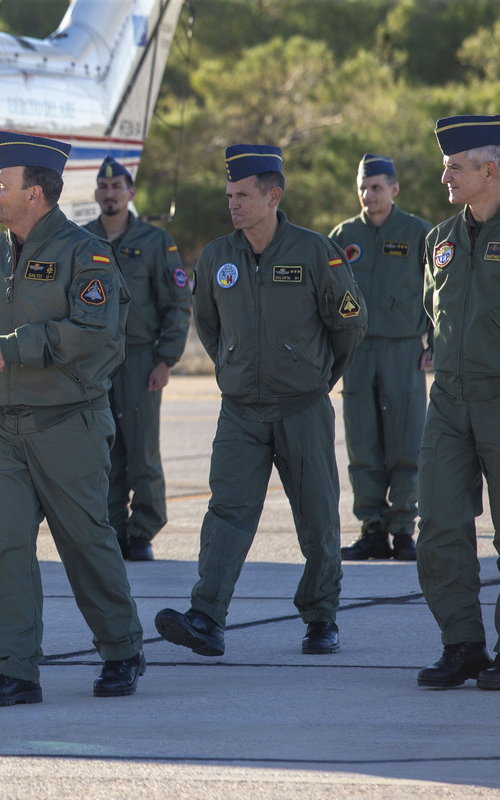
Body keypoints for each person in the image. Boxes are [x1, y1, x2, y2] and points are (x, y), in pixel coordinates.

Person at [0, 130, 145, 706]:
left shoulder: (86, 254)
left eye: (2, 185)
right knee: (7, 547)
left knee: (84, 540)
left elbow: (95, 330)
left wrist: (19, 346)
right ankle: (16, 668)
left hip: (67, 424)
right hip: (5, 427)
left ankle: (123, 650)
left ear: (36, 193)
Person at [155, 144, 367, 658]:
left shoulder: (315, 252)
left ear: (274, 197)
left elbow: (350, 323)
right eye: (230, 195)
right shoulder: (216, 257)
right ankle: (206, 617)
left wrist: (315, 377)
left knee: (317, 517)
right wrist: (232, 365)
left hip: (302, 409)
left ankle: (321, 618)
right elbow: (207, 324)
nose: (233, 204)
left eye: (243, 195)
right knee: (226, 512)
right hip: (241, 412)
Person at [414, 115, 500, 690]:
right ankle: (463, 644)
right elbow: (432, 312)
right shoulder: (438, 239)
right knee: (441, 526)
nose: (445, 175)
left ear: (489, 170)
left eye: (455, 166)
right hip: (448, 402)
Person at [84, 156, 191, 562]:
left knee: (142, 449)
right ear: (97, 194)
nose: (110, 194)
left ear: (130, 193)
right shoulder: (82, 239)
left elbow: (178, 305)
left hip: (140, 360)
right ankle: (112, 528)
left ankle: (143, 531)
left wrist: (166, 361)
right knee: (101, 450)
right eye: (104, 187)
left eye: (118, 188)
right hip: (94, 364)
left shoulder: (155, 241)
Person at [328, 154, 432, 562]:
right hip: (357, 353)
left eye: (375, 187)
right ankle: (372, 528)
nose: (368, 196)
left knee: (407, 440)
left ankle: (404, 529)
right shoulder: (342, 235)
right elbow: (327, 294)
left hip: (404, 349)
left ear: (394, 189)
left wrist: (435, 341)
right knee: (363, 443)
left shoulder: (418, 232)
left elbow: (442, 292)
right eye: (362, 188)